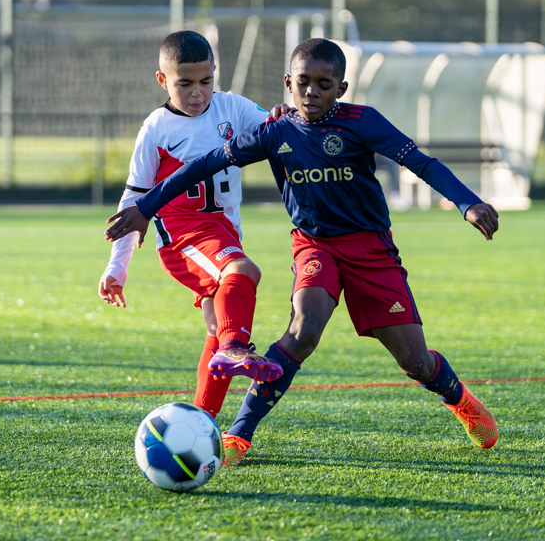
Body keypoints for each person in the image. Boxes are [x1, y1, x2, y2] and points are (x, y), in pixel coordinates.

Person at [106, 39, 501, 465]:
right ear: (287, 84)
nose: (312, 92)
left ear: (341, 88)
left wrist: (467, 202)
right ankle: (238, 434)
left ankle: (458, 398)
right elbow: (204, 165)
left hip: (372, 251)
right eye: (303, 82)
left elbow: (419, 161)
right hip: (314, 246)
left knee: (415, 361)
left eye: (323, 84)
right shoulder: (275, 132)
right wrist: (144, 209)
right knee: (302, 330)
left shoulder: (363, 123)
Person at [98, 30, 282, 420]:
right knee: (243, 271)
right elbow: (134, 198)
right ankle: (236, 348)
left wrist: (285, 116)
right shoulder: (156, 128)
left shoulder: (230, 107)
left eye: (205, 81)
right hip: (183, 236)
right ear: (163, 80)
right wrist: (118, 265)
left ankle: (202, 423)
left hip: (223, 233)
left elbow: (274, 129)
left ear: (215, 73)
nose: (198, 93)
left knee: (217, 325)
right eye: (185, 84)